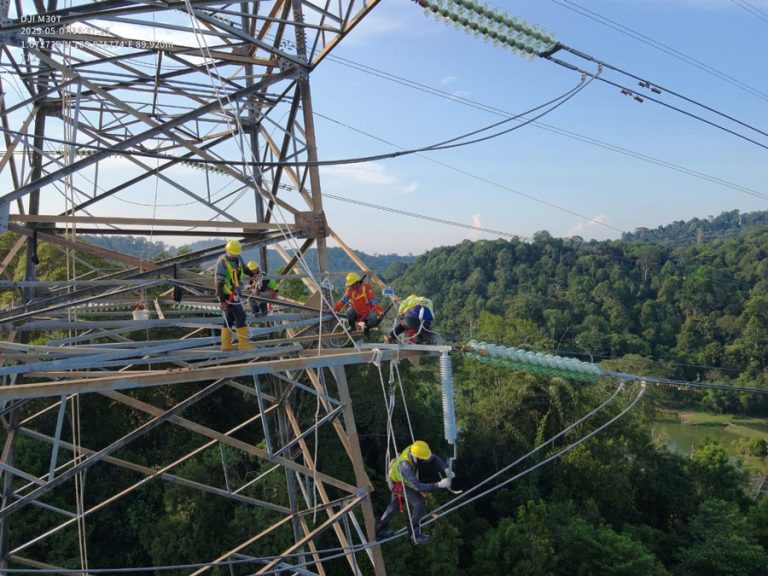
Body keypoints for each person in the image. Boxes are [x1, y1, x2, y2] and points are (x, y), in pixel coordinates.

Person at [375, 440, 454, 544]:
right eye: (422, 459)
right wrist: (439, 484)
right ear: (416, 456)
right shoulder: (405, 466)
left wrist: (446, 468)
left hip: (400, 479)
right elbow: (418, 487)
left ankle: (378, 529)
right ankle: (414, 535)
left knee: (395, 507)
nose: (424, 461)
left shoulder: (415, 449)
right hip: (397, 484)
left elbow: (433, 457)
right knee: (419, 502)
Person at [214, 240, 256, 351]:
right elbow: (219, 284)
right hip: (227, 294)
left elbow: (244, 268)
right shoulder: (222, 262)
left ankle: (226, 346)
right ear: (227, 251)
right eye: (232, 254)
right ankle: (244, 345)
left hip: (235, 292)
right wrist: (222, 301)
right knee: (241, 316)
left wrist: (253, 275)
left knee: (229, 318)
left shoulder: (238, 258)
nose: (233, 256)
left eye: (235, 255)